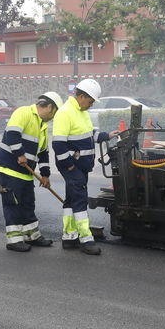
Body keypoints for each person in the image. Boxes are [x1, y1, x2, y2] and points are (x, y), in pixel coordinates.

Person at [0, 92, 64, 252]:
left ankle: (32, 235)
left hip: (26, 172)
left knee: (28, 203)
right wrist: (19, 154)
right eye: (54, 113)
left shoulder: (42, 125)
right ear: (49, 107)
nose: (53, 117)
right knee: (13, 203)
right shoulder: (24, 112)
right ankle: (14, 240)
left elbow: (43, 153)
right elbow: (12, 133)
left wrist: (45, 175)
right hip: (9, 169)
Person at [51, 78, 110, 255]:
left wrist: (106, 135)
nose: (91, 105)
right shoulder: (65, 113)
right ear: (82, 96)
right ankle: (86, 239)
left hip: (81, 167)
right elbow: (58, 145)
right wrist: (69, 167)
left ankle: (69, 238)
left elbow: (87, 134)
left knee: (70, 200)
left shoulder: (81, 112)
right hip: (72, 167)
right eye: (90, 101)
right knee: (80, 199)